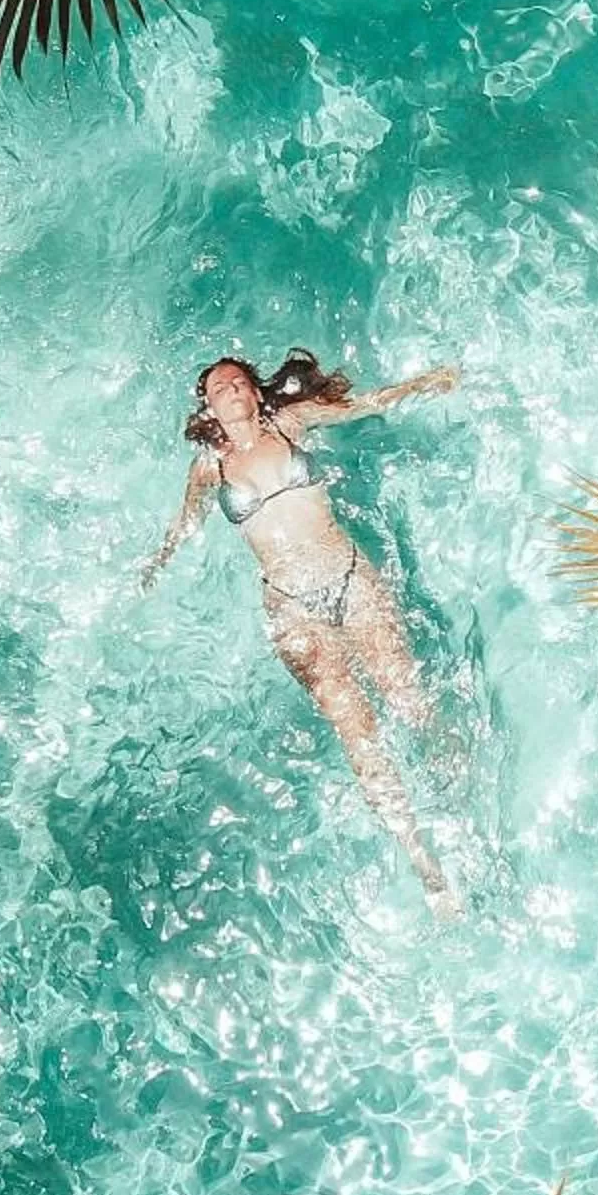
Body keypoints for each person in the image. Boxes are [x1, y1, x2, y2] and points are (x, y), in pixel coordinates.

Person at [148, 349, 463, 913]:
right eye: (220, 387)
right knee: (356, 730)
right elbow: (185, 524)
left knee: (407, 697)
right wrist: (157, 564)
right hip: (292, 608)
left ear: (255, 392)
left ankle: (459, 777)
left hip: (349, 578)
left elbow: (365, 405)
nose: (232, 389)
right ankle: (423, 861)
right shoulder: (208, 470)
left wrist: (428, 382)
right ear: (210, 409)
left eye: (239, 381)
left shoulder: (292, 424)